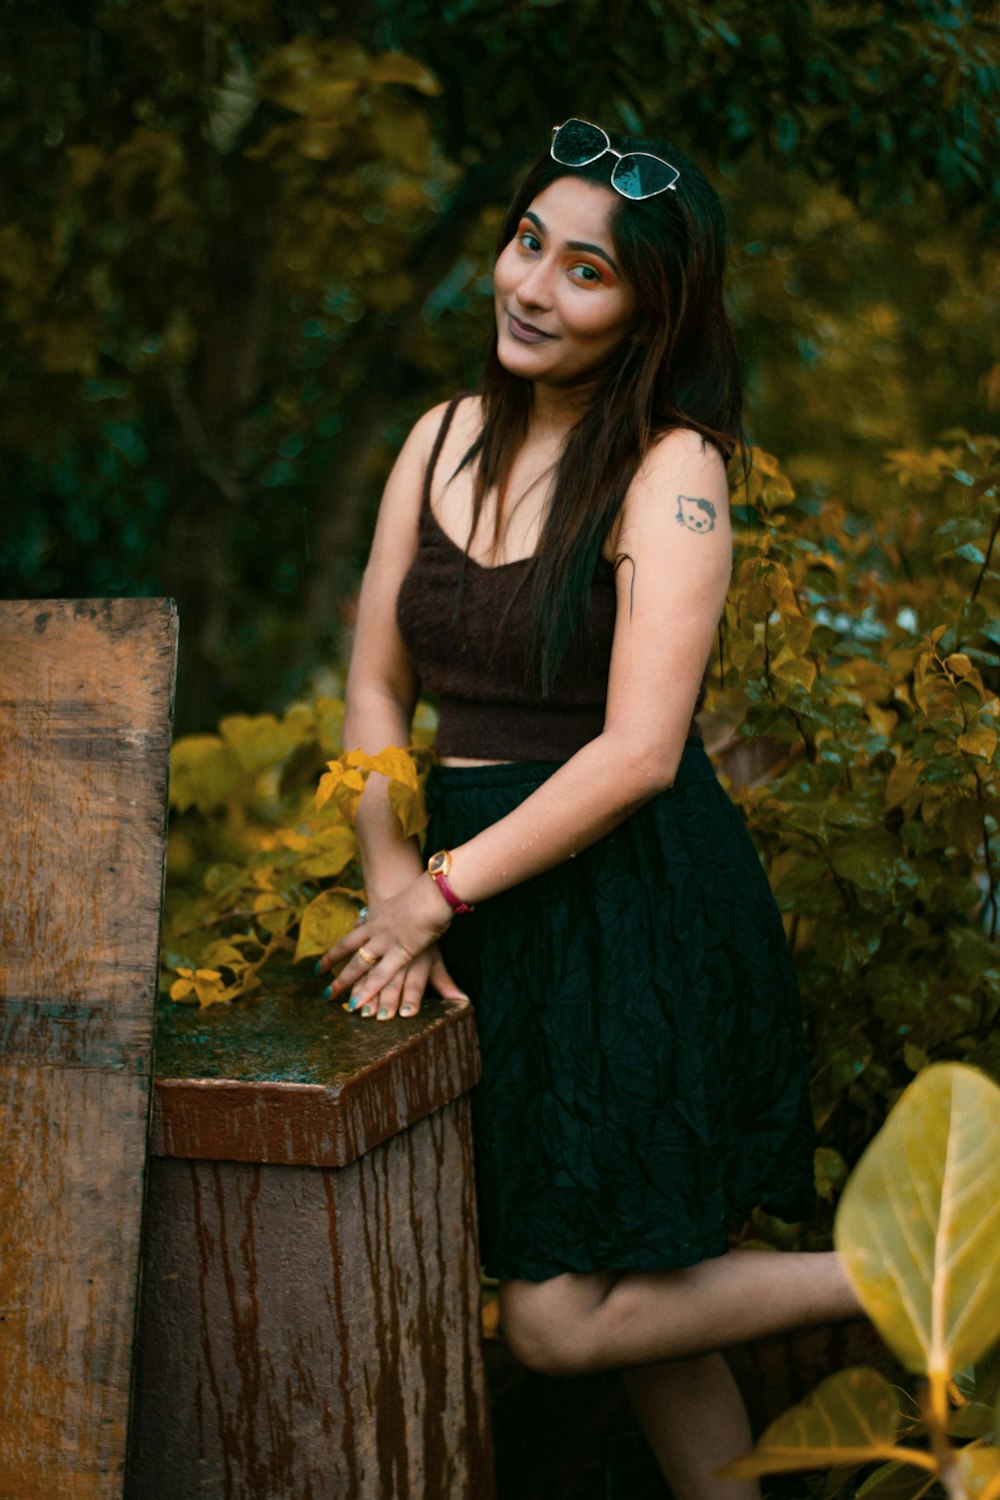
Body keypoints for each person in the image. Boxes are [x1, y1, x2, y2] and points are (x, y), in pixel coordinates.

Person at [317, 117, 862, 1498]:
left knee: (560, 1319)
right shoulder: (439, 438)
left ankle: (904, 1274)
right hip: (476, 897)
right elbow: (376, 689)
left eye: (586, 272)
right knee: (650, 1304)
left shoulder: (675, 470)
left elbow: (636, 755)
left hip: (630, 915)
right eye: (527, 244)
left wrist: (431, 894)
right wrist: (402, 898)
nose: (533, 287)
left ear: (648, 311)